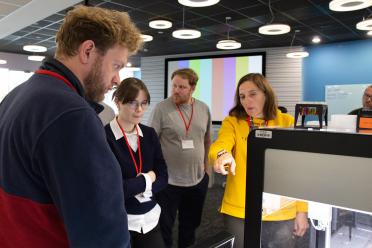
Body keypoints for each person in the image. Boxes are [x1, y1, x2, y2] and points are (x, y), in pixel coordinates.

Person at [0, 5, 142, 248]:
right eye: (116, 65)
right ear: (87, 51)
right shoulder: (72, 115)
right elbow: (103, 235)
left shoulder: (16, 96)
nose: (118, 79)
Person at [208, 73, 309, 248]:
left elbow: (299, 169)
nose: (247, 100)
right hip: (241, 209)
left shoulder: (288, 122)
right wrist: (222, 155)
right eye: (242, 96)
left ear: (266, 94)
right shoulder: (233, 122)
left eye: (252, 94)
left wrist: (302, 210)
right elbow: (220, 145)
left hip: (281, 211)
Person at [149, 68, 212, 248]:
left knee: (190, 225)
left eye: (182, 87)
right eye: (174, 85)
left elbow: (207, 140)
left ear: (192, 88)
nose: (176, 90)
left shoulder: (203, 108)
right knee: (164, 226)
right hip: (168, 182)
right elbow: (151, 142)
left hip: (197, 180)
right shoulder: (162, 108)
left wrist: (206, 170)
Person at [105, 77, 168, 247]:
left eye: (144, 103)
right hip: (119, 220)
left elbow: (163, 177)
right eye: (133, 103)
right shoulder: (104, 137)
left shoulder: (149, 134)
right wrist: (148, 179)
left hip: (150, 217)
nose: (140, 110)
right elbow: (111, 188)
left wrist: (136, 185)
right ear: (118, 102)